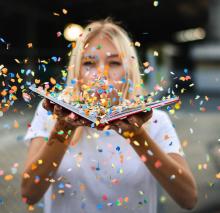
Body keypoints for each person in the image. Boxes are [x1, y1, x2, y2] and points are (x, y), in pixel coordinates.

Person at [21, 17, 197, 213]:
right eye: (89, 62)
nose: (101, 74)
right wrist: (64, 128)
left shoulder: (155, 119)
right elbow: (29, 194)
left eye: (114, 63)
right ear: (77, 70)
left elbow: (188, 199)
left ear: (128, 71)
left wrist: (137, 136)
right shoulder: (50, 113)